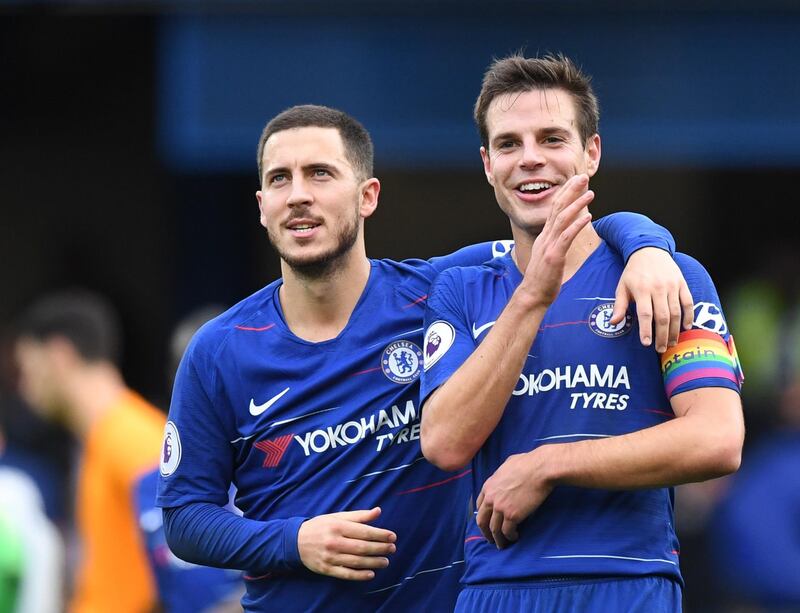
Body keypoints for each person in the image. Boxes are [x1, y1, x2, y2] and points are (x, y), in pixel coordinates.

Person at [157, 104, 693, 612]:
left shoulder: (442, 290)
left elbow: (566, 237)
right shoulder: (217, 351)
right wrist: (293, 541)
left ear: (367, 196)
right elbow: (184, 517)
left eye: (320, 174)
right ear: (261, 207)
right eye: (280, 179)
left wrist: (647, 246)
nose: (298, 196)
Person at [419, 53, 745, 612]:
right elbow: (445, 443)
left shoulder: (668, 278)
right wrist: (533, 296)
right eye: (508, 144)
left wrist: (549, 463)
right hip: (497, 588)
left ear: (590, 153)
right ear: (487, 164)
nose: (530, 160)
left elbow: (716, 439)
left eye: (552, 138)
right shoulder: (461, 291)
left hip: (628, 582)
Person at [13, 290, 165, 613]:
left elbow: (188, 566)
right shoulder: (99, 440)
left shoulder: (132, 437)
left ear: (59, 355)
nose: (24, 387)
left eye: (27, 369)